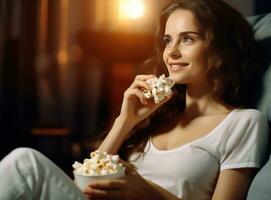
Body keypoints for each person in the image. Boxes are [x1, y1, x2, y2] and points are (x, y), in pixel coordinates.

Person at [0, 0, 269, 199]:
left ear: (221, 48)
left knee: (26, 163)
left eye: (187, 39)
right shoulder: (159, 115)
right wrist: (124, 122)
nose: (171, 52)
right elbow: (85, 181)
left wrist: (146, 192)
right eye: (167, 40)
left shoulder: (243, 122)